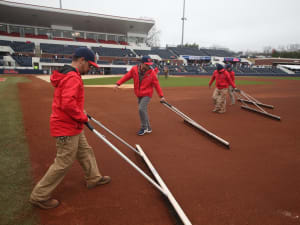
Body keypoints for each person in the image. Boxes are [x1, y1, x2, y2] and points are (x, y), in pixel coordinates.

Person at [29, 47, 111, 209]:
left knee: (85, 151)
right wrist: (82, 116)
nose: (90, 69)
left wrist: (80, 113)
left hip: (72, 124)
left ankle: (93, 177)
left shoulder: (67, 74)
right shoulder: (72, 77)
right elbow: (67, 104)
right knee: (63, 162)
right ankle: (39, 195)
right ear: (82, 60)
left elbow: (68, 101)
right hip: (66, 126)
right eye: (90, 66)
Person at [114, 55, 165, 136]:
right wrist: (118, 83)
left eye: (149, 64)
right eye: (147, 64)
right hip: (138, 94)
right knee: (143, 110)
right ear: (142, 63)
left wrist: (161, 96)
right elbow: (127, 77)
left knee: (141, 109)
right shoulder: (134, 69)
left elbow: (157, 85)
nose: (149, 66)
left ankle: (144, 128)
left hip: (147, 94)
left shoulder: (152, 73)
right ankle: (148, 127)